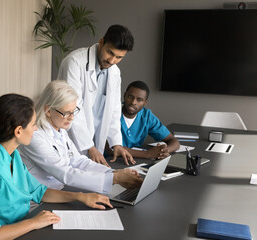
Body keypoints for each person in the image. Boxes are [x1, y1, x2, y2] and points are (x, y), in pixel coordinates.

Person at [0, 94, 112, 240]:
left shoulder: (12, 156)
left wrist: (80, 197)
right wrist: (34, 222)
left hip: (19, 228)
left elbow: (39, 191)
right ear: (18, 131)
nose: (36, 129)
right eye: (34, 124)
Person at [19, 80, 143, 195]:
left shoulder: (60, 129)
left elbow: (79, 161)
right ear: (48, 110)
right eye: (66, 113)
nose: (71, 118)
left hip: (59, 191)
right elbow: (64, 172)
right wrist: (114, 179)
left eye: (73, 111)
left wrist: (113, 173)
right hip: (38, 200)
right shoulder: (34, 136)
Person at [57, 24, 135, 166]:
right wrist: (88, 146)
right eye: (110, 53)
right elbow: (73, 109)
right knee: (69, 178)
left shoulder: (115, 72)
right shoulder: (74, 62)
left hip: (94, 143)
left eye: (119, 57)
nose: (112, 61)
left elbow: (114, 110)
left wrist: (116, 143)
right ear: (101, 42)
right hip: (73, 138)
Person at [117, 81, 180, 160]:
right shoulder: (112, 112)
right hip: (110, 160)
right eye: (130, 97)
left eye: (139, 100)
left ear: (145, 102)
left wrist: (164, 151)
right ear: (124, 95)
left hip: (134, 160)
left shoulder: (147, 116)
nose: (133, 102)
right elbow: (111, 149)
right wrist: (147, 154)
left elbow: (173, 141)